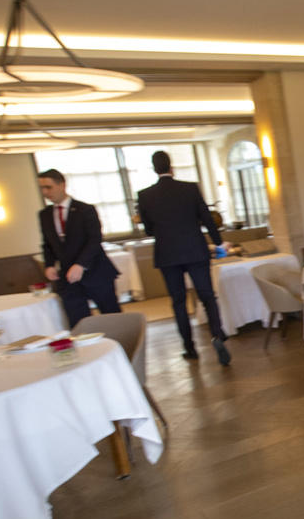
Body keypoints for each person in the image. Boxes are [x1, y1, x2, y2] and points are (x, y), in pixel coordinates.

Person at [135, 151, 232, 365]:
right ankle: (217, 335)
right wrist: (218, 242)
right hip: (195, 249)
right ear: (172, 167)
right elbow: (207, 218)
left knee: (178, 301)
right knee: (207, 296)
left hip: (167, 253)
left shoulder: (145, 195)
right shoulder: (190, 189)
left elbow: (149, 230)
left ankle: (189, 348)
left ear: (154, 169)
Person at [36, 169, 121, 327]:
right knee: (78, 323)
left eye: (48, 187)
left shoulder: (85, 210)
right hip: (68, 278)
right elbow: (47, 244)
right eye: (42, 188)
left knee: (112, 318)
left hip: (96, 272)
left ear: (62, 185)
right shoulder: (45, 215)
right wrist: (49, 265)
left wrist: (81, 264)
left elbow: (94, 240)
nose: (45, 192)